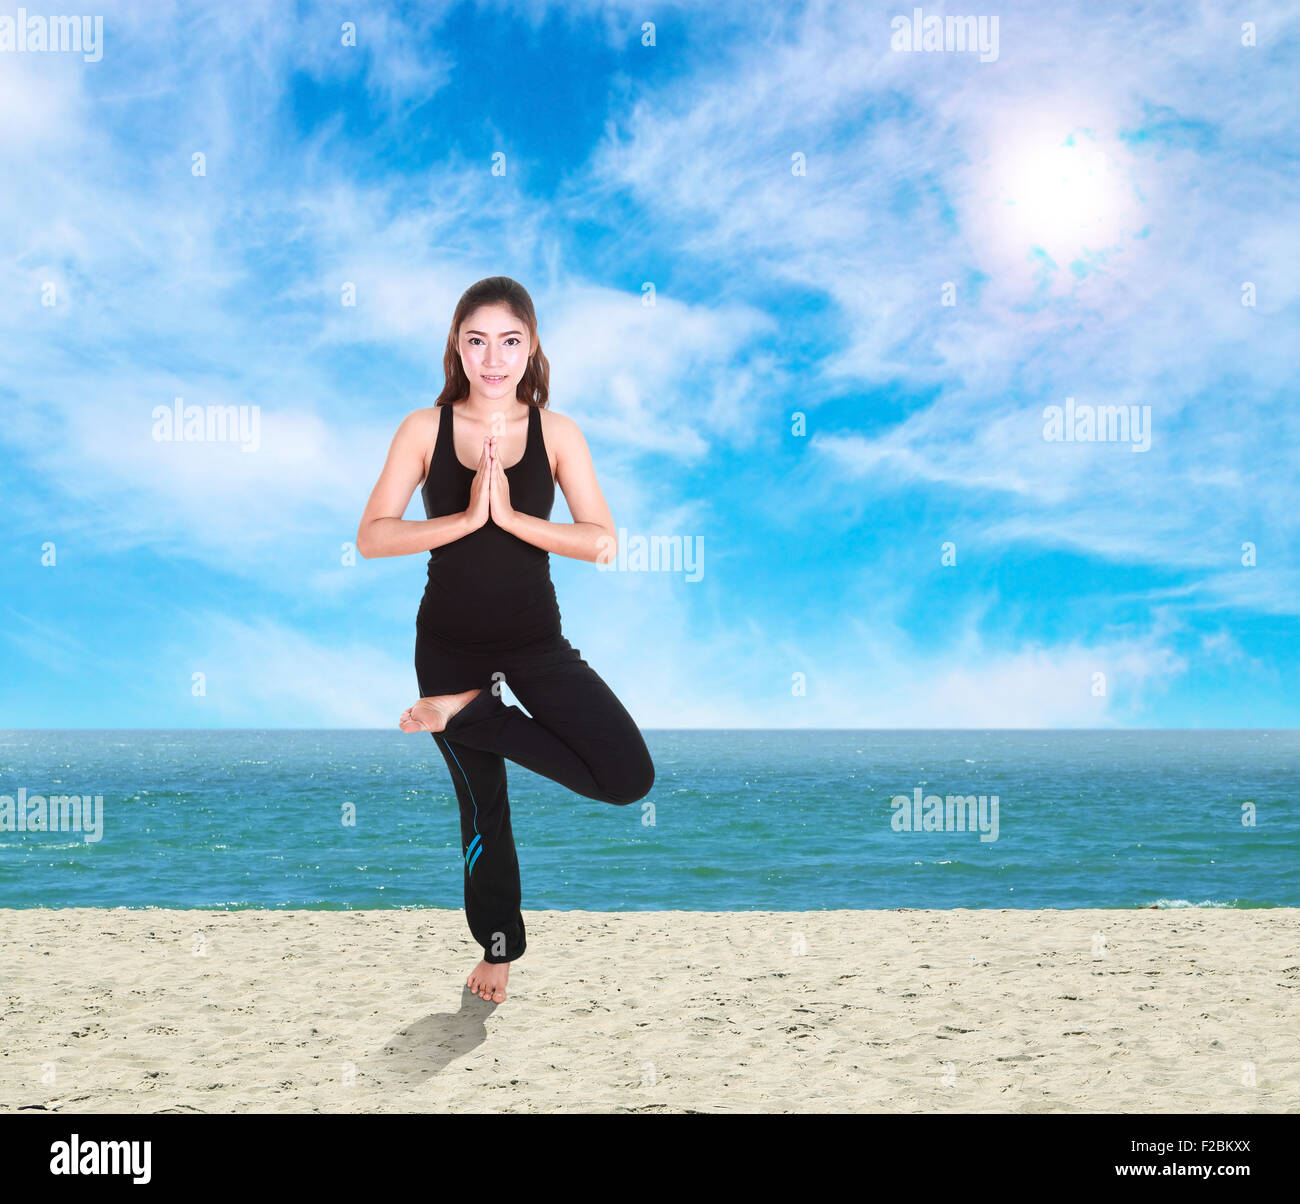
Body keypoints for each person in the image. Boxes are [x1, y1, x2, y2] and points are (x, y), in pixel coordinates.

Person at [356, 276, 655, 1004]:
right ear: (458, 347)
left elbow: (604, 542)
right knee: (484, 806)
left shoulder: (558, 433)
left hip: (534, 643)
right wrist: (463, 520)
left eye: (510, 341)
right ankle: (497, 951)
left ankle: (471, 714)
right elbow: (371, 537)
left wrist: (513, 519)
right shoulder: (422, 429)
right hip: (448, 648)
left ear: (531, 348)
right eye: (477, 341)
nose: (494, 359)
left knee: (628, 779)